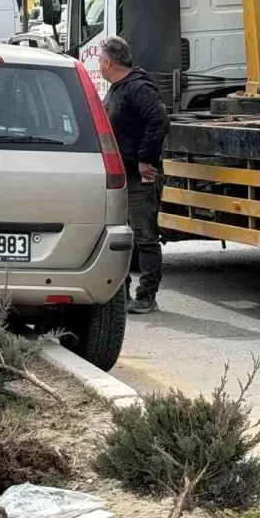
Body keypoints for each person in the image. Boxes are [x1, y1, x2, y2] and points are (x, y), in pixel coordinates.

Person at [99, 35, 169, 315]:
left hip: (139, 178)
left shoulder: (138, 87)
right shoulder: (116, 88)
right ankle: (121, 292)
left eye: (100, 60)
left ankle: (147, 294)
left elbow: (158, 121)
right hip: (121, 177)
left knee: (144, 237)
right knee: (121, 237)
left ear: (107, 61)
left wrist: (145, 160)